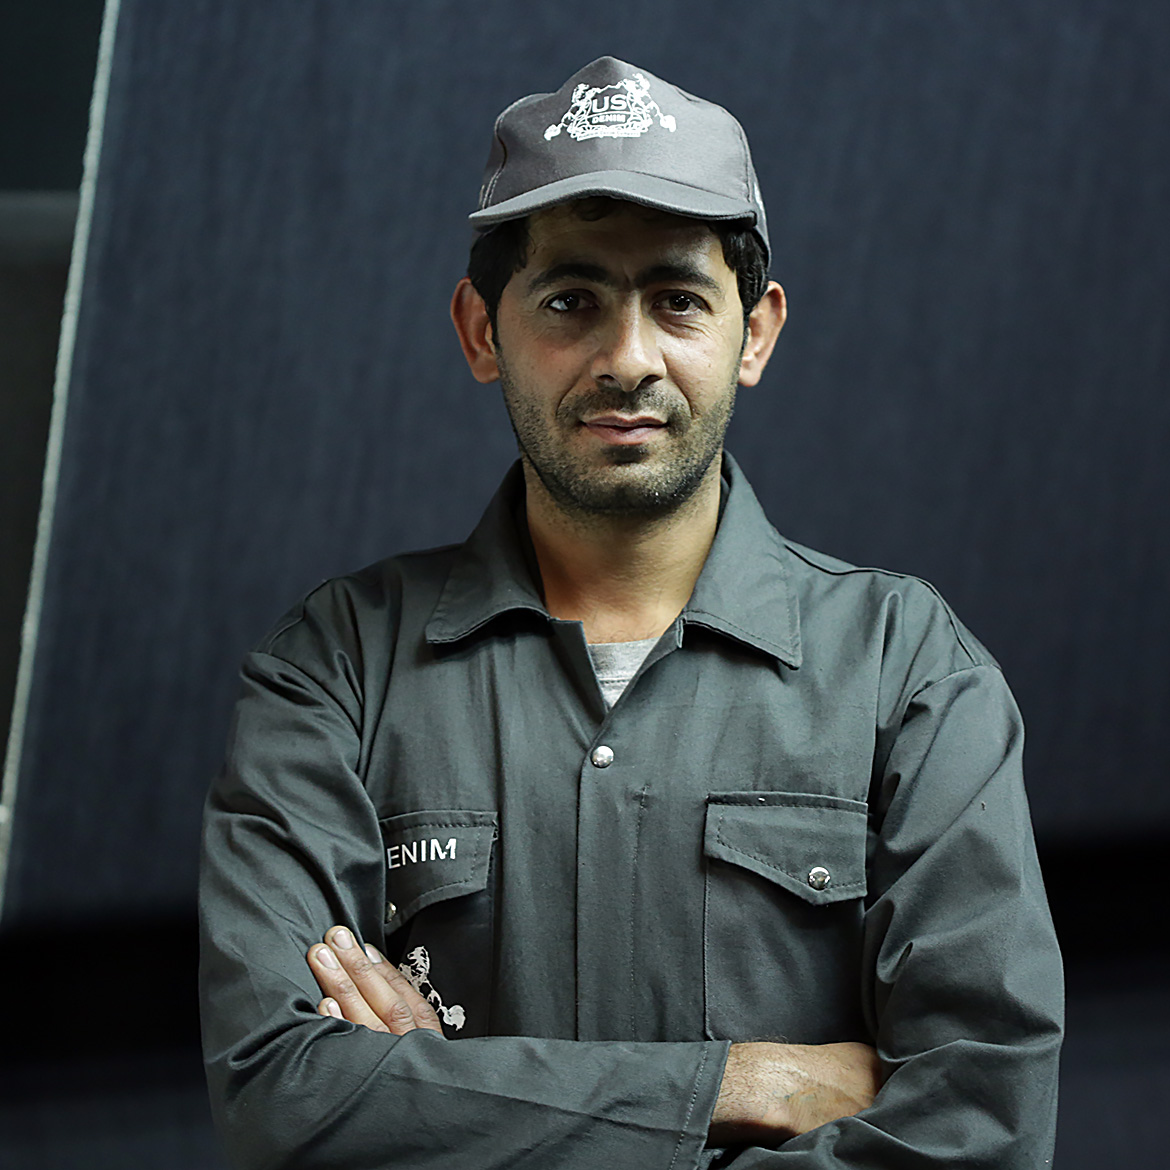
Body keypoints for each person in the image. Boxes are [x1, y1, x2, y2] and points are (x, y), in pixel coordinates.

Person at [199, 56, 1063, 1169]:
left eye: (678, 301)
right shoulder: (334, 670)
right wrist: (743, 1083)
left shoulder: (910, 673)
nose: (628, 358)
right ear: (481, 330)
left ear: (755, 334)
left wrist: (449, 1102)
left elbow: (984, 1127)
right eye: (571, 302)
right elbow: (284, 1101)